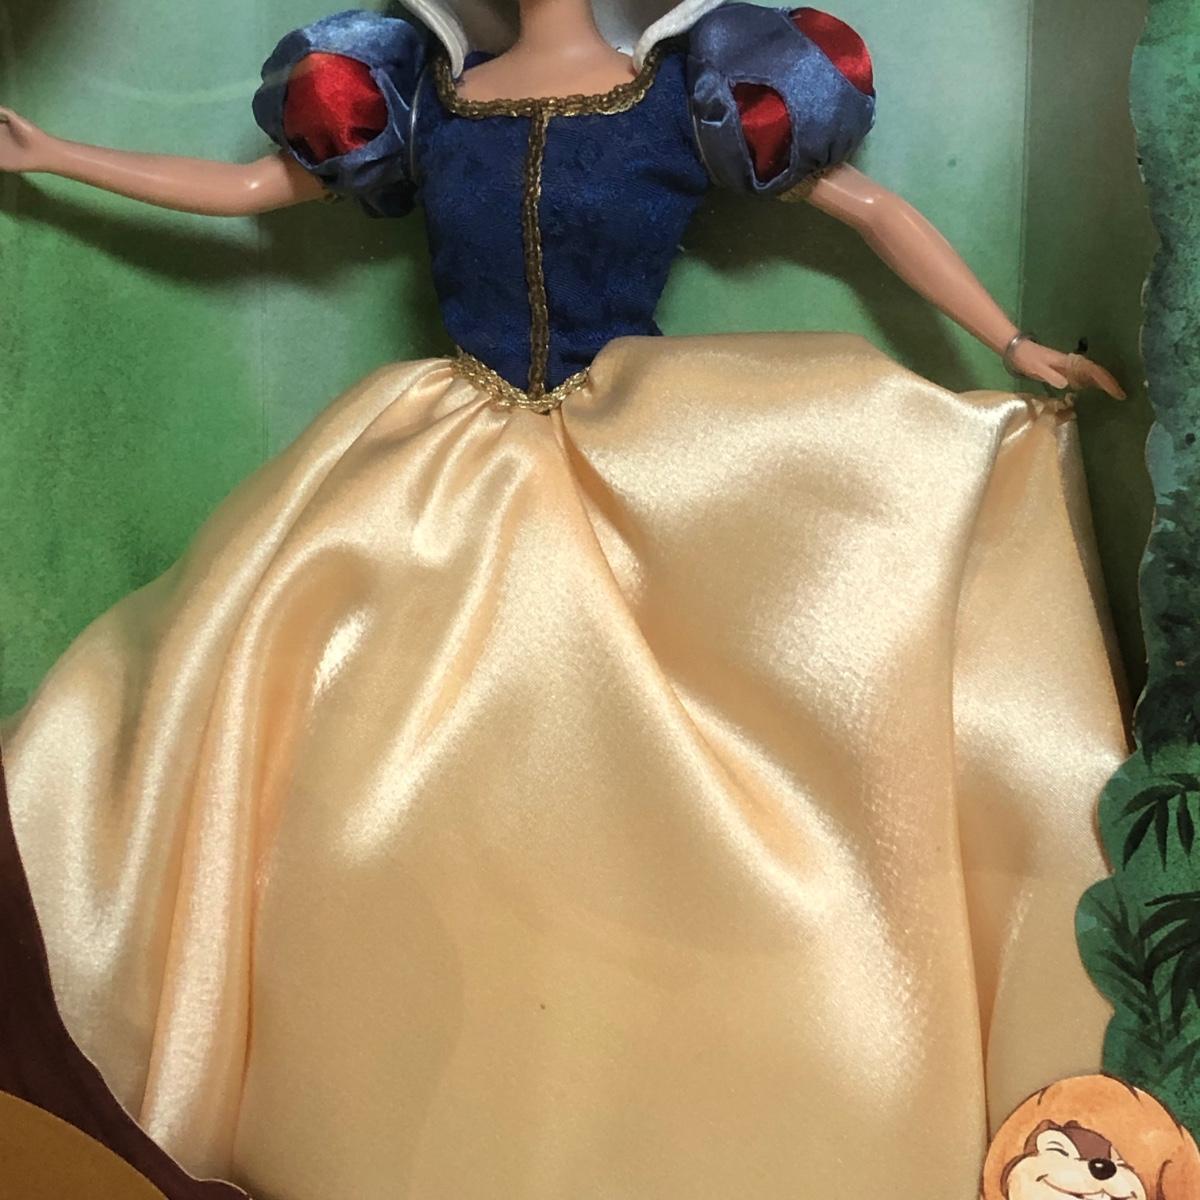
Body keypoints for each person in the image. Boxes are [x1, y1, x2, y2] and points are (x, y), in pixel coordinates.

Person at [0, 1, 1134, 1196]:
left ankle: (681, 1049)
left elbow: (870, 210)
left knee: (686, 752)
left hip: (645, 451)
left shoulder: (686, 97)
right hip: (444, 465)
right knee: (357, 718)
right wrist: (54, 152)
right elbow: (251, 191)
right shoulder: (421, 98)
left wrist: (1010, 340)